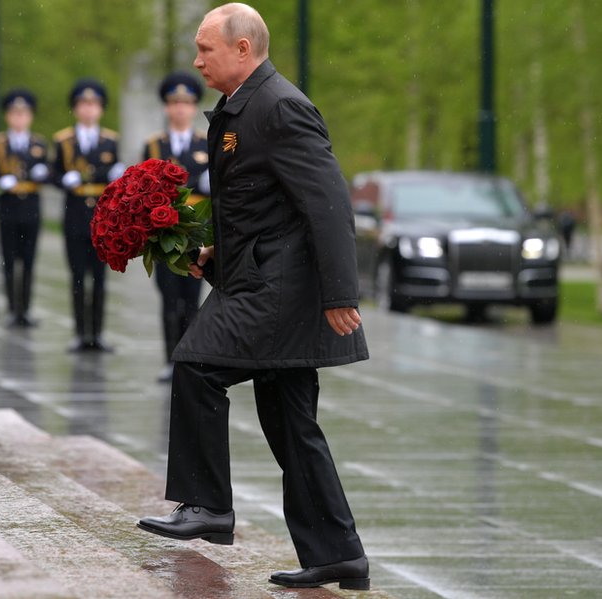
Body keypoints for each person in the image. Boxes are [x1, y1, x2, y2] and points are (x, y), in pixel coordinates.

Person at [136, 3, 371, 591]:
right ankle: (338, 553)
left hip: (281, 291)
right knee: (293, 424)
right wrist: (212, 249)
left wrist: (341, 292)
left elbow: (328, 203)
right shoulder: (243, 106)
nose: (196, 61)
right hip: (259, 279)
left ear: (243, 49)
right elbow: (260, 204)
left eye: (206, 49)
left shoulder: (280, 105)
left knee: (194, 364)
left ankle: (206, 504)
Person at [145, 71, 210, 381]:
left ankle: (190, 357)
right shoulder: (155, 146)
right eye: (175, 103)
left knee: (192, 295)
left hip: (195, 229)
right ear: (167, 107)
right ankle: (171, 358)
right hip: (165, 230)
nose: (181, 109)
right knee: (169, 296)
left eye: (186, 103)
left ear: (194, 107)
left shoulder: (206, 143)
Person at [53, 79, 125, 352]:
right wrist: (63, 179)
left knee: (100, 278)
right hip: (74, 214)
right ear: (75, 108)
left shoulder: (110, 140)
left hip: (102, 218)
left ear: (101, 109)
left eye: (93, 104)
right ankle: (80, 332)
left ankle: (97, 333)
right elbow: (52, 173)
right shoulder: (63, 141)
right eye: (83, 104)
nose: (88, 110)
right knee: (77, 277)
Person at [0, 89, 49, 327]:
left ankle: (25, 308)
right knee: (8, 258)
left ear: (30, 117)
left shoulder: (38, 143)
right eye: (15, 113)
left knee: (28, 260)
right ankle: (12, 308)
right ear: (8, 116)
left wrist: (43, 173)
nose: (19, 118)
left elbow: (49, 170)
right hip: (8, 206)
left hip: (31, 206)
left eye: (23, 113)